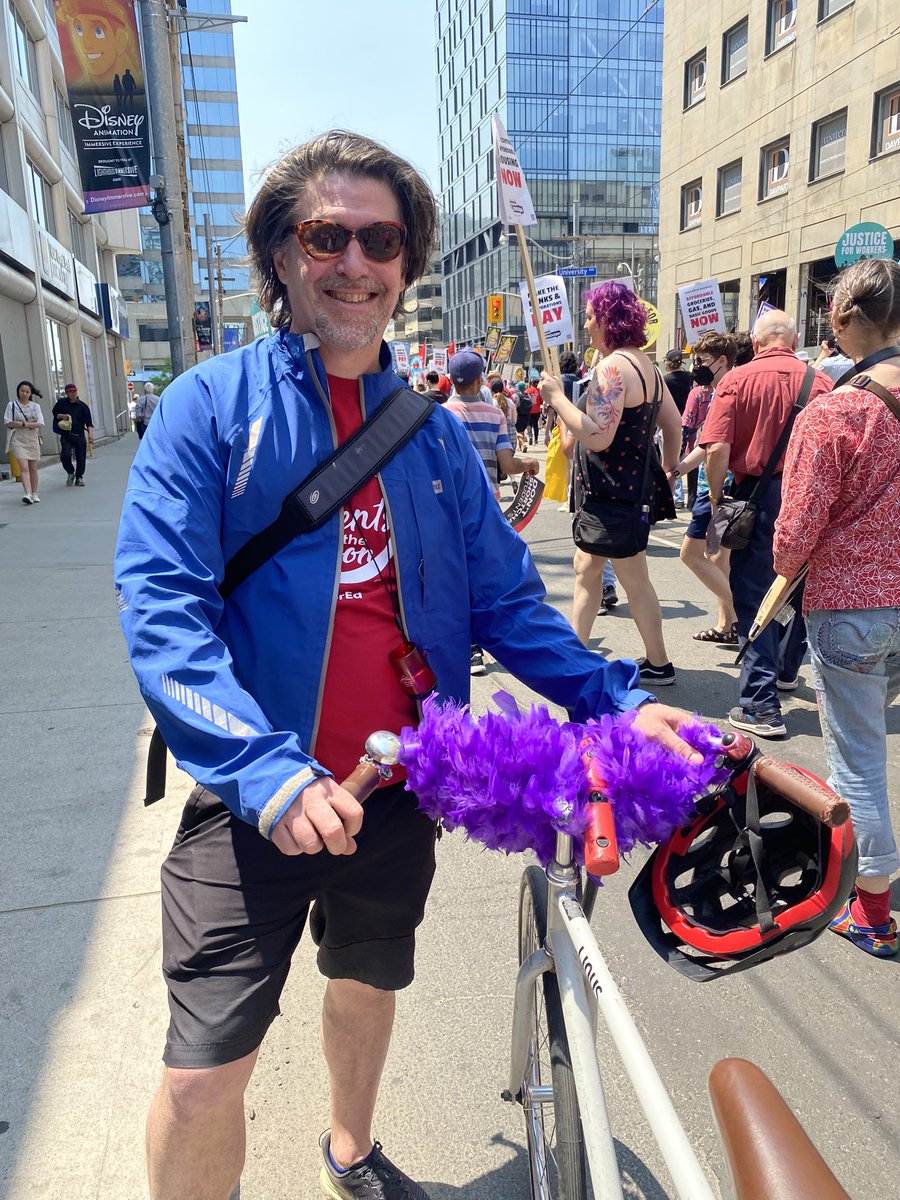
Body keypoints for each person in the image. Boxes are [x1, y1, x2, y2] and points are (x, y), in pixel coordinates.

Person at [113, 130, 701, 1200]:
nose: (353, 260)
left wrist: (620, 699)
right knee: (203, 1078)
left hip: (395, 790)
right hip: (254, 796)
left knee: (367, 980)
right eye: (323, 234)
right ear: (282, 255)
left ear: (406, 262)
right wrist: (263, 772)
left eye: (378, 239)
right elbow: (163, 612)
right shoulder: (208, 409)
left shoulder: (429, 438)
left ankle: (349, 1149)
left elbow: (513, 611)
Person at [773, 259, 900, 958]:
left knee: (858, 759)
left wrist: (782, 571)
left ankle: (873, 910)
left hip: (851, 604)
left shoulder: (837, 409)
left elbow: (796, 531)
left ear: (850, 316)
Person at [539, 281, 681, 684]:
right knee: (611, 573)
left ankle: (578, 660)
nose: (586, 326)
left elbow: (598, 434)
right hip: (629, 491)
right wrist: (668, 469)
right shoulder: (648, 366)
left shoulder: (613, 366)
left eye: (589, 317)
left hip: (611, 490)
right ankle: (652, 661)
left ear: (606, 319)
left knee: (604, 574)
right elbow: (674, 424)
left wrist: (557, 397)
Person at [701, 311, 832, 737]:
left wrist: (720, 497)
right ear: (794, 341)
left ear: (755, 343)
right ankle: (787, 669)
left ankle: (760, 705)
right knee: (799, 587)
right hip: (810, 494)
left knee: (756, 596)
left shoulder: (736, 380)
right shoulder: (823, 384)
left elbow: (716, 449)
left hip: (755, 495)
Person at [671, 333, 739, 645]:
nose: (697, 367)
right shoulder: (717, 391)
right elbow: (706, 444)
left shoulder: (728, 391)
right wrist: (679, 468)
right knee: (717, 560)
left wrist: (713, 496)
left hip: (717, 488)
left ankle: (744, 615)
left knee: (691, 554)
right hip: (715, 486)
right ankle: (727, 625)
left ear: (721, 360)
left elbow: (716, 448)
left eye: (702, 361)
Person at [5, 380, 45, 504]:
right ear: (18, 391)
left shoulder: (35, 406)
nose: (24, 393)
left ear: (31, 393)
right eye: (22, 391)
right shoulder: (12, 405)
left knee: (33, 467)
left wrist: (22, 423)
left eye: (27, 391)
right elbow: (8, 422)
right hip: (18, 438)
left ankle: (35, 493)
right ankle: (27, 493)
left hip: (32, 438)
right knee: (23, 466)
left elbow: (40, 423)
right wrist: (29, 423)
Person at [52, 383, 93, 486]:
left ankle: (79, 477)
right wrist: (63, 416)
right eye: (70, 391)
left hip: (79, 434)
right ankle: (70, 472)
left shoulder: (83, 406)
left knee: (81, 457)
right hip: (66, 434)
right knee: (65, 455)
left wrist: (90, 435)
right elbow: (55, 414)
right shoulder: (61, 403)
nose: (73, 393)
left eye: (74, 391)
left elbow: (89, 423)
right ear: (66, 393)